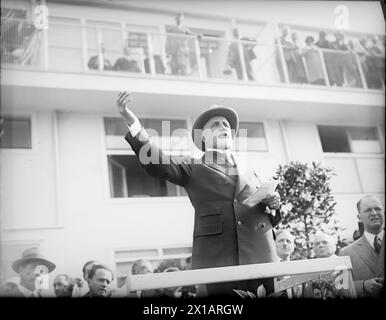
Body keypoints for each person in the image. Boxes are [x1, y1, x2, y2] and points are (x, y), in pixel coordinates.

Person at [116, 91, 282, 296]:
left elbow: (265, 214)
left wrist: (274, 206)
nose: (223, 128)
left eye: (226, 125)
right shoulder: (193, 166)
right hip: (220, 262)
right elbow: (158, 161)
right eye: (216, 125)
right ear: (203, 137)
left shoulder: (251, 172)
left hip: (262, 258)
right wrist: (134, 125)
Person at [339, 195, 384, 297]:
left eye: (378, 209)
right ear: (359, 217)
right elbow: (340, 287)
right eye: (368, 210)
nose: (374, 213)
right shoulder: (345, 253)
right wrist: (363, 286)